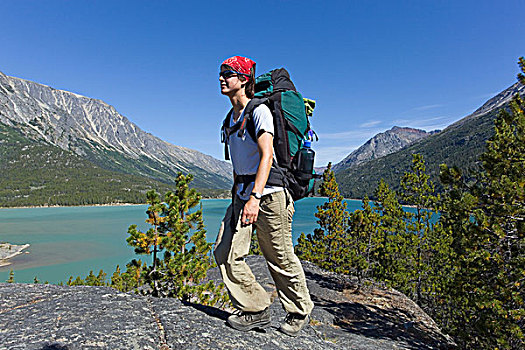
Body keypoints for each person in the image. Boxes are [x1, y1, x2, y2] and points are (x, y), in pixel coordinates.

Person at [214, 56, 314, 337]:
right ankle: (256, 308)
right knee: (225, 251)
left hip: (268, 195)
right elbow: (238, 163)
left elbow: (267, 155)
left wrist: (255, 198)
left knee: (278, 256)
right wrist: (240, 196)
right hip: (243, 194)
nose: (222, 78)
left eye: (228, 74)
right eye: (221, 73)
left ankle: (299, 311)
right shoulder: (230, 118)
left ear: (244, 80)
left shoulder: (259, 112)